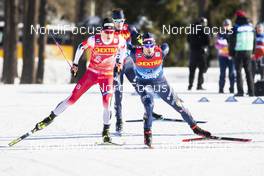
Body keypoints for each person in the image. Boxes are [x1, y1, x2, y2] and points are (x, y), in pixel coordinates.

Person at [34, 18, 127, 143]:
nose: (109, 34)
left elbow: (123, 48)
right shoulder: (94, 40)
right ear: (102, 30)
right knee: (72, 99)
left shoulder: (118, 40)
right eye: (106, 31)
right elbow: (80, 47)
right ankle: (49, 118)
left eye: (111, 31)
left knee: (106, 102)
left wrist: (120, 62)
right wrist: (75, 64)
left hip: (107, 75)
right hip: (92, 73)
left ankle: (106, 131)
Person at [130, 32, 211, 147]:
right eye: (146, 46)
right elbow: (123, 46)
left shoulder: (160, 52)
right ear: (142, 46)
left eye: (151, 45)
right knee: (149, 103)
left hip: (160, 83)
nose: (149, 49)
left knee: (178, 105)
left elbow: (166, 45)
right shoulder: (135, 53)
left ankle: (195, 127)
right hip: (142, 83)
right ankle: (147, 133)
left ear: (154, 45)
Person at [112, 9, 162, 134]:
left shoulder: (130, 29)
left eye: (121, 21)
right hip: (116, 67)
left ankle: (149, 110)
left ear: (124, 20)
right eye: (117, 21)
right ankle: (119, 120)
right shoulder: (109, 32)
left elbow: (141, 40)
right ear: (113, 21)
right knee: (118, 95)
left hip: (129, 65)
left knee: (141, 88)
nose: (119, 23)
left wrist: (148, 47)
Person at [229, 10, 255, 96]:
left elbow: (232, 41)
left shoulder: (235, 27)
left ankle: (240, 92)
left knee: (239, 71)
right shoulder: (251, 27)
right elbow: (254, 40)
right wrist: (253, 51)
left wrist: (231, 53)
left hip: (239, 51)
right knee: (248, 71)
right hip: (249, 50)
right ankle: (251, 91)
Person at [187, 17, 210, 90]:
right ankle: (199, 85)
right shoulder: (204, 29)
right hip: (201, 51)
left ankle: (190, 85)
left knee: (192, 69)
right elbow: (208, 41)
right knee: (201, 69)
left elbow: (188, 39)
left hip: (193, 51)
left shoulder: (192, 29)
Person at [215, 19, 235, 93]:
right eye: (225, 25)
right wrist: (222, 45)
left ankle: (232, 88)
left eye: (228, 25)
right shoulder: (220, 33)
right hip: (222, 56)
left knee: (232, 73)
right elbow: (217, 44)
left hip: (231, 56)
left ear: (231, 25)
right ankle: (221, 88)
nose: (226, 26)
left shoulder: (233, 32)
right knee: (222, 73)